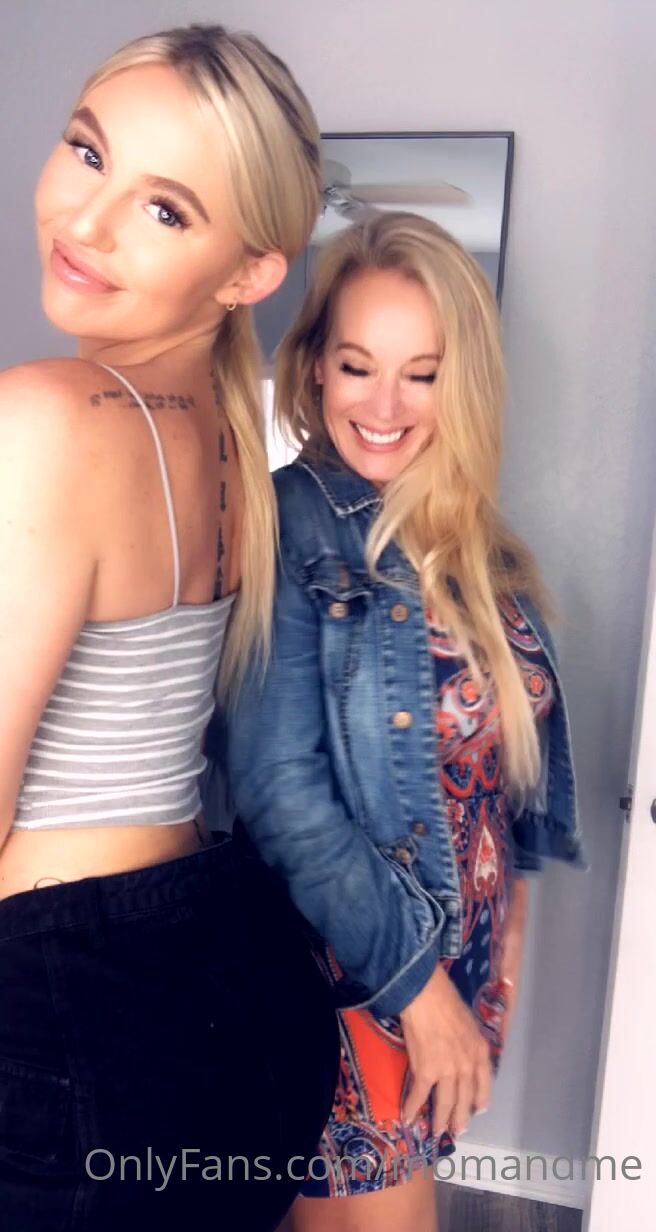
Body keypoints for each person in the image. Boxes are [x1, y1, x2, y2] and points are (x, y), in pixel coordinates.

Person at [0, 24, 339, 1232]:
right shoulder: (233, 445)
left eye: (164, 209)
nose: (87, 221)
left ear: (248, 271)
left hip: (60, 1015)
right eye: (88, 151)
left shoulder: (48, 416)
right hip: (225, 975)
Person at [227, 211, 586, 1232]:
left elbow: (507, 767)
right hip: (357, 975)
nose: (382, 406)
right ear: (314, 368)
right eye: (357, 365)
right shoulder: (290, 519)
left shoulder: (477, 544)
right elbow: (279, 791)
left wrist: (503, 948)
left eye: (420, 373)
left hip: (455, 968)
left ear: (460, 383)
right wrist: (420, 992)